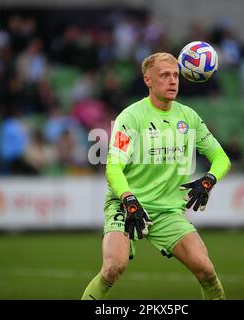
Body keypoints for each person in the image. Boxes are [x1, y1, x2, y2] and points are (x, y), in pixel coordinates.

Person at [81, 52, 231, 300]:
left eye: (175, 75)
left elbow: (221, 158)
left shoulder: (188, 117)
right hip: (127, 204)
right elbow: (113, 167)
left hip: (168, 210)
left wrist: (209, 180)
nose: (173, 81)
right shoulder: (131, 117)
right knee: (113, 268)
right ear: (148, 80)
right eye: (164, 75)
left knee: (206, 270)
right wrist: (128, 199)